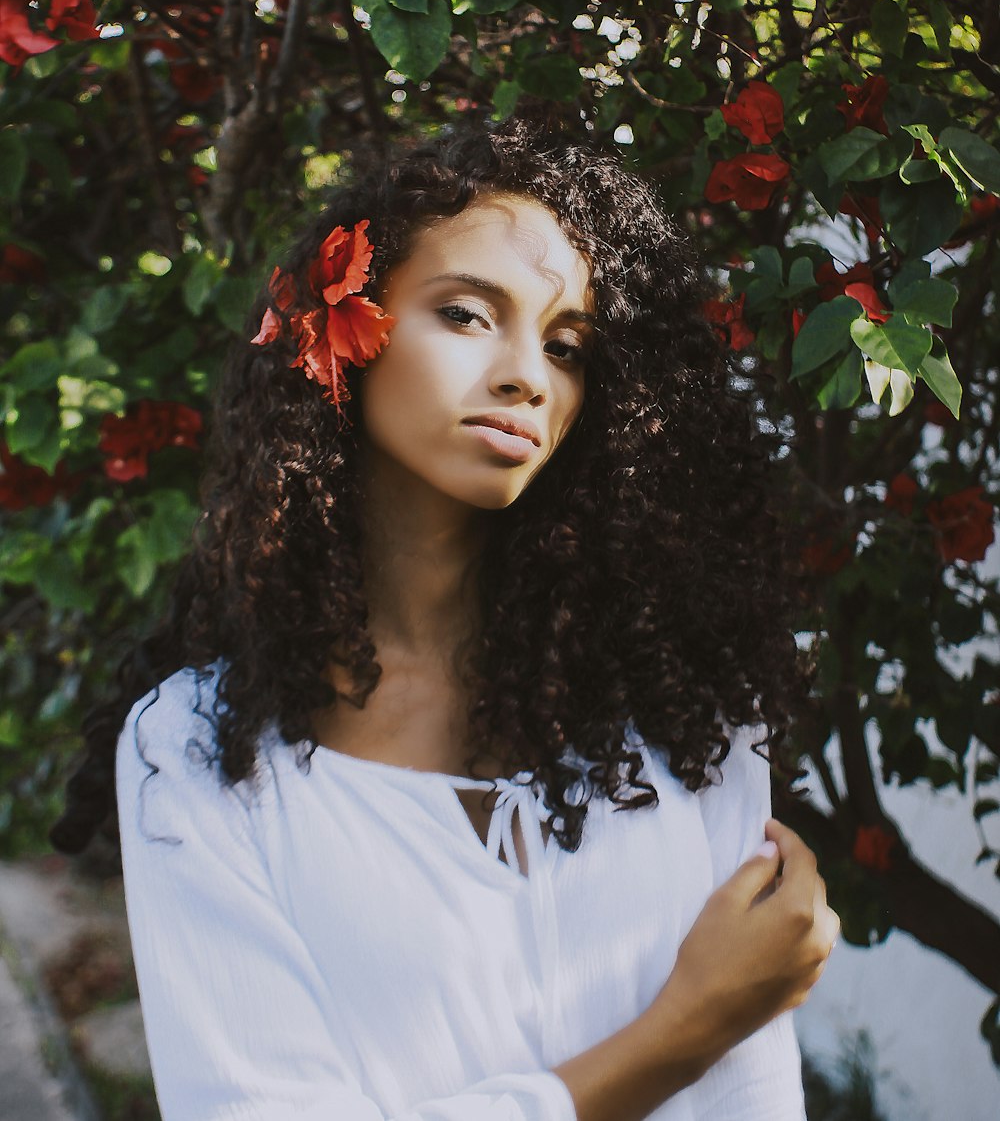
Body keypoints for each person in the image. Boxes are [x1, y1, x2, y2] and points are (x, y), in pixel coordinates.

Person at [52, 114, 839, 1121]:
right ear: (344, 336)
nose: (526, 375)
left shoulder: (682, 719)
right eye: (467, 315)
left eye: (567, 346)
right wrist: (679, 1033)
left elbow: (752, 1098)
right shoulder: (202, 753)